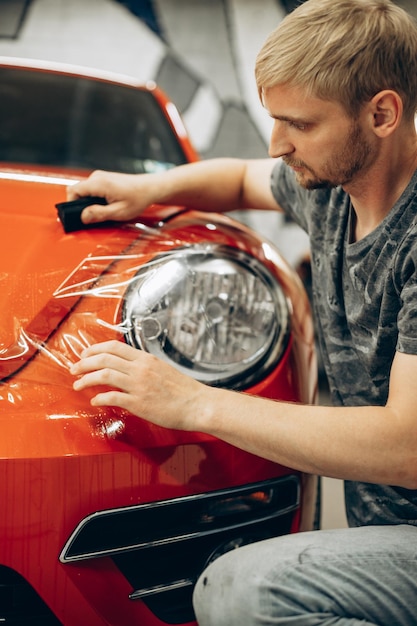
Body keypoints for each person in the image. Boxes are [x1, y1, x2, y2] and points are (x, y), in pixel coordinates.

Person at [68, 0, 417, 623]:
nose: (278, 144)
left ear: (382, 114)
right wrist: (143, 190)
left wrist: (194, 402)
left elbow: (406, 446)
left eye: (300, 125)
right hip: (392, 535)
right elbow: (240, 180)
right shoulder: (332, 189)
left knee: (243, 590)